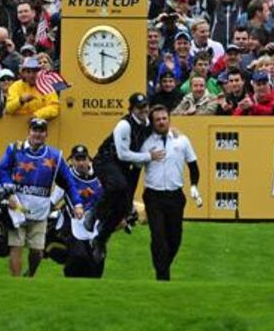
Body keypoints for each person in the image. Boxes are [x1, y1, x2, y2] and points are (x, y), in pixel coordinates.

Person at [0, 118, 84, 277]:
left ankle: (30, 275)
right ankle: (16, 283)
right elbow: (2, 171)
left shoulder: (55, 156)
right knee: (16, 246)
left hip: (40, 211)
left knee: (37, 251)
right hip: (17, 207)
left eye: (41, 131)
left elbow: (68, 182)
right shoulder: (15, 149)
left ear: (46, 134)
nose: (37, 134)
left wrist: (77, 203)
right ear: (29, 132)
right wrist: (8, 192)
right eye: (35, 130)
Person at [137, 105, 202, 280]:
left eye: (164, 118)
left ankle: (162, 267)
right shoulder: (146, 142)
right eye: (157, 119)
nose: (161, 122)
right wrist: (147, 156)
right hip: (153, 195)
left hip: (175, 196)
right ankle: (162, 276)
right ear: (152, 122)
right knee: (158, 237)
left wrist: (194, 185)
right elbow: (135, 166)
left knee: (175, 239)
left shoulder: (181, 140)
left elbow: (193, 165)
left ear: (169, 119)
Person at [90, 93, 156, 262]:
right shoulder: (124, 125)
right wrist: (148, 156)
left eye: (145, 106)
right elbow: (123, 154)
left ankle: (100, 240)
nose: (144, 110)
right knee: (117, 186)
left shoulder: (148, 124)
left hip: (128, 166)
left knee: (123, 208)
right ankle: (94, 214)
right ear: (132, 108)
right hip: (106, 160)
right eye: (140, 107)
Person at [57, 145, 106, 278]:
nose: (80, 163)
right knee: (79, 255)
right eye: (77, 159)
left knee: (98, 257)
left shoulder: (100, 175)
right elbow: (54, 198)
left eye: (83, 159)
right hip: (74, 222)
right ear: (71, 161)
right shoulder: (66, 177)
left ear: (88, 159)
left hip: (95, 223)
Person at [3, 56, 60, 120]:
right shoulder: (15, 86)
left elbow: (54, 107)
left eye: (35, 71)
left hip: (40, 126)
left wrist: (37, 115)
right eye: (28, 72)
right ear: (23, 73)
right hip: (17, 126)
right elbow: (9, 109)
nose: (31, 75)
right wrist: (20, 100)